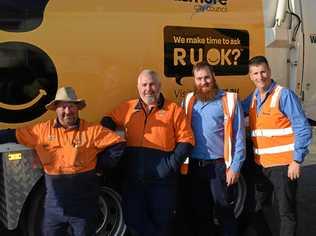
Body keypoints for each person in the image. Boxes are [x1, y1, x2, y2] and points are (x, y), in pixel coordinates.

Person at [0, 86, 126, 236]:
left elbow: (118, 142)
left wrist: (101, 166)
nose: (68, 111)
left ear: (78, 108)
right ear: (56, 109)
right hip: (54, 210)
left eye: (72, 106)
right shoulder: (41, 131)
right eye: (63, 107)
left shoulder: (91, 131)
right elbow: (13, 134)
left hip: (83, 209)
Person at [101, 69, 194, 236]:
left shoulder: (173, 110)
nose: (148, 89)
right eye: (144, 85)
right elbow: (108, 120)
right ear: (138, 87)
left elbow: (187, 141)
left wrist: (170, 165)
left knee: (162, 223)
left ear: (159, 86)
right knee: (133, 221)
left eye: (152, 84)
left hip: (162, 182)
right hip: (134, 181)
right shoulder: (128, 107)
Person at [242, 55, 312, 236]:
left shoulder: (284, 94)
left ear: (269, 71)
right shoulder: (253, 97)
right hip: (261, 166)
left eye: (263, 71)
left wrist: (296, 161)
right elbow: (234, 109)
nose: (260, 77)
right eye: (255, 73)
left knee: (286, 213)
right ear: (250, 76)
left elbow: (303, 128)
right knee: (256, 207)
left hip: (283, 166)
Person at [182, 62, 245, 236]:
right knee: (201, 213)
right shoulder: (188, 100)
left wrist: (235, 167)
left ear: (214, 75)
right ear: (194, 80)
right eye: (199, 78)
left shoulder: (229, 100)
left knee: (224, 210)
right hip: (195, 166)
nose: (204, 82)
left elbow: (239, 137)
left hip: (219, 167)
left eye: (207, 77)